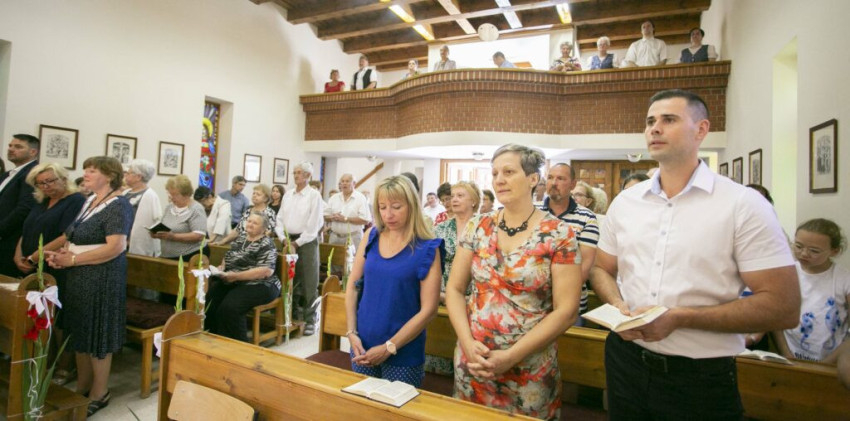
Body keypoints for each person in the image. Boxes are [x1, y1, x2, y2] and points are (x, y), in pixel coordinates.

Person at [589, 89, 799, 420]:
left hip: (699, 374)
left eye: (669, 120)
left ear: (701, 130)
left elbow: (783, 306)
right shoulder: (626, 203)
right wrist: (618, 305)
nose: (655, 128)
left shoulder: (742, 204)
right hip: (625, 360)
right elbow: (601, 269)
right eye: (650, 121)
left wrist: (680, 317)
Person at [446, 144, 583, 420]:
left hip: (528, 368)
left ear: (533, 179)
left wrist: (511, 356)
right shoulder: (477, 226)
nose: (499, 180)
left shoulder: (560, 234)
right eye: (495, 173)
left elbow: (567, 311)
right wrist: (467, 343)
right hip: (474, 360)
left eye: (508, 172)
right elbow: (455, 289)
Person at [45, 156, 133, 417]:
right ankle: (83, 386)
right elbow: (74, 236)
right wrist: (61, 254)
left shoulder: (119, 205)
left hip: (102, 277)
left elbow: (115, 246)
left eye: (92, 170)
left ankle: (100, 392)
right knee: (80, 330)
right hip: (79, 275)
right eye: (85, 170)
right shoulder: (90, 201)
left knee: (97, 334)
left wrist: (73, 259)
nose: (85, 174)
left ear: (110, 176)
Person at [344, 175, 443, 387]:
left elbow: (429, 310)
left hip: (403, 351)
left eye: (396, 207)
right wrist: (351, 332)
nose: (388, 214)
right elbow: (353, 286)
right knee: (362, 404)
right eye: (382, 207)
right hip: (362, 345)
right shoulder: (371, 236)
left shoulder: (427, 248)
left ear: (412, 206)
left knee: (395, 407)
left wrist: (389, 347)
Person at [15, 163, 85, 385]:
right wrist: (19, 254)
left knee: (59, 316)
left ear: (63, 179)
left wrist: (37, 255)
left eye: (50, 181)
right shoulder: (42, 201)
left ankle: (64, 366)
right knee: (41, 314)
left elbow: (67, 235)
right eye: (40, 183)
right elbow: (26, 229)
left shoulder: (75, 200)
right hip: (33, 263)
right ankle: (46, 360)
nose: (46, 187)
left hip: (56, 265)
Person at [774, 219, 849, 363]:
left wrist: (827, 364)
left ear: (834, 251)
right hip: (789, 357)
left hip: (832, 361)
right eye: (798, 246)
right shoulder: (787, 273)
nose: (804, 253)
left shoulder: (844, 279)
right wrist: (786, 353)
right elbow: (776, 319)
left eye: (814, 251)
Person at [205, 212, 281, 342]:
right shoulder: (241, 239)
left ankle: (239, 344)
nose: (250, 224)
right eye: (249, 221)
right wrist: (222, 268)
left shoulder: (267, 243)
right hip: (237, 281)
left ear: (263, 229)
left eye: (255, 223)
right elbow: (229, 256)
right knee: (211, 298)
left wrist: (235, 276)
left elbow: (266, 271)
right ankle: (215, 337)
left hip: (262, 284)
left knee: (230, 307)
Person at [541, 163, 599, 323]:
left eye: (560, 179)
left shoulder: (587, 218)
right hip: (534, 306)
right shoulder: (533, 211)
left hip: (570, 305)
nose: (554, 183)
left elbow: (584, 267)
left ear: (573, 184)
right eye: (550, 178)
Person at [275, 162, 324, 335]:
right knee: (290, 279)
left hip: (306, 241)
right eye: (294, 173)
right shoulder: (288, 195)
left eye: (299, 173)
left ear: (308, 176)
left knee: (309, 281)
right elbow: (279, 219)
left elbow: (314, 225)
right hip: (288, 240)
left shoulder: (313, 195)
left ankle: (311, 319)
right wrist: (283, 239)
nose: (296, 176)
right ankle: (292, 315)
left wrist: (296, 244)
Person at [0, 134, 39, 276]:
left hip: (11, 239)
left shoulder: (33, 172)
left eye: (18, 147)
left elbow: (24, 208)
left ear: (33, 152)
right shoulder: (7, 174)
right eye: (10, 146)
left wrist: (1, 230)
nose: (11, 149)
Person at [154, 175, 207, 261]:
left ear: (186, 194)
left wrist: (173, 237)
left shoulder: (196, 209)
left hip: (188, 256)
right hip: (166, 255)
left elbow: (199, 236)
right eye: (170, 194)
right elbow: (164, 226)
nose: (171, 197)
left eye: (174, 194)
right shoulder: (169, 207)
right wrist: (157, 233)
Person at [123, 159, 162, 256]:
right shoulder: (125, 193)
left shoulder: (150, 196)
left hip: (138, 245)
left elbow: (157, 221)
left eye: (129, 173)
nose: (125, 175)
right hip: (121, 242)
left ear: (138, 177)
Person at [324, 174, 371, 247]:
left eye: (347, 181)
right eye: (342, 181)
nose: (344, 183)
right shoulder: (333, 198)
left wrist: (346, 219)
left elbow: (366, 220)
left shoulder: (360, 198)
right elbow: (325, 216)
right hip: (334, 237)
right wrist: (332, 217)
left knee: (355, 255)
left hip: (353, 237)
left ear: (354, 183)